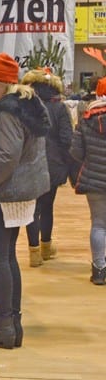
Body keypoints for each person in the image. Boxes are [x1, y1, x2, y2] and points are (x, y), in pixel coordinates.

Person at [0, 53, 50, 349]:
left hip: (3, 194)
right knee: (8, 258)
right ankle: (12, 324)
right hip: (19, 193)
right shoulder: (28, 105)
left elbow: (7, 156)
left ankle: (3, 326)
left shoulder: (8, 110)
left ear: (1, 83)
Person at [20, 68, 73, 266]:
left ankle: (33, 252)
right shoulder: (60, 108)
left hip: (28, 163)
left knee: (32, 210)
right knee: (47, 206)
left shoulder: (24, 107)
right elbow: (67, 139)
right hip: (53, 165)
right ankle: (46, 246)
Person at [69, 94, 106, 285]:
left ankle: (99, 269)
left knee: (98, 224)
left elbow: (75, 152)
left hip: (94, 180)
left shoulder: (86, 119)